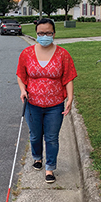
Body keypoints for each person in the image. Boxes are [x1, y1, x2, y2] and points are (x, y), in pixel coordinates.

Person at [16, 18, 77, 183]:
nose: (44, 36)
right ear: (36, 33)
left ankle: (50, 168)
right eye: (41, 33)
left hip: (55, 105)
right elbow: (21, 75)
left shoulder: (63, 54)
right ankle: (37, 157)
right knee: (35, 136)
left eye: (48, 33)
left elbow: (68, 77)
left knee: (51, 137)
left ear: (54, 34)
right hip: (32, 104)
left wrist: (70, 97)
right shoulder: (27, 53)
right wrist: (23, 90)